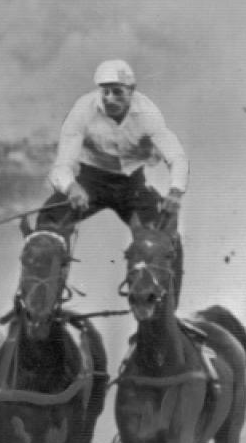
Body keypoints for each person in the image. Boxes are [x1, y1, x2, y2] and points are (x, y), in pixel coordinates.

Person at [35, 59, 188, 304]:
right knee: (47, 224)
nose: (109, 98)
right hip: (90, 183)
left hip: (132, 188)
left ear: (132, 91)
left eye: (117, 92)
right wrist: (72, 187)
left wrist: (176, 191)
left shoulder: (148, 113)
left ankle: (166, 309)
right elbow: (62, 165)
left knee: (163, 235)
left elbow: (176, 156)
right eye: (104, 91)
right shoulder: (83, 110)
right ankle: (44, 300)